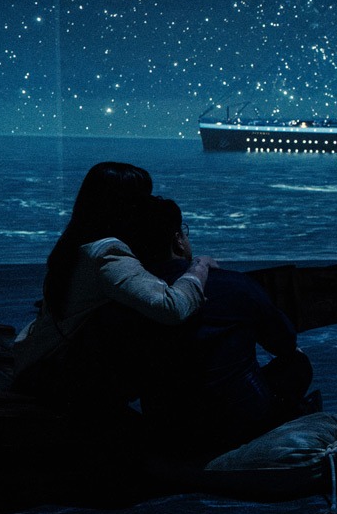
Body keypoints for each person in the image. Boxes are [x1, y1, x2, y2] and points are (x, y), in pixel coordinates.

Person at [12, 162, 218, 410]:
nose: (149, 205)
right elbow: (172, 307)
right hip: (56, 379)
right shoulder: (108, 254)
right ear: (125, 204)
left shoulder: (79, 243)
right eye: (143, 197)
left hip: (39, 365)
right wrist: (199, 266)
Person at [127, 196, 317, 456]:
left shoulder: (129, 300)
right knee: (297, 363)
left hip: (171, 428)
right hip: (241, 424)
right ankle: (279, 424)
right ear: (178, 240)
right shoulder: (235, 285)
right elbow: (285, 342)